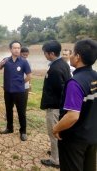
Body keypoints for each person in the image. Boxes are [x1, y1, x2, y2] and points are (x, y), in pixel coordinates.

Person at [53, 39, 97, 171]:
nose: (70, 56)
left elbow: (72, 116)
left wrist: (56, 128)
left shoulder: (75, 82)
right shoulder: (95, 76)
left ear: (77, 57)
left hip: (75, 140)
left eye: (73, 53)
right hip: (93, 136)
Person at [40, 40, 71, 168]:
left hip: (55, 107)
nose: (44, 55)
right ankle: (56, 151)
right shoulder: (62, 63)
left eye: (45, 53)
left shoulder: (55, 69)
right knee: (59, 132)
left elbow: (61, 90)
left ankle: (55, 160)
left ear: (51, 53)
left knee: (54, 132)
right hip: (60, 107)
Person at [0, 40, 31, 141]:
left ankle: (23, 132)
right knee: (8, 111)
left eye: (18, 48)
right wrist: (0, 64)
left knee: (21, 112)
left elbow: (29, 76)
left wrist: (21, 83)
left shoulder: (24, 61)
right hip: (8, 91)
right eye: (14, 48)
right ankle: (9, 128)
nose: (17, 50)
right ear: (10, 49)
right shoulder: (6, 60)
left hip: (20, 92)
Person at [20, 47, 31, 111]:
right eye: (23, 55)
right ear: (20, 53)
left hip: (25, 86)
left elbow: (29, 74)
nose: (25, 56)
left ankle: (23, 115)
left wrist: (30, 84)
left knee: (24, 103)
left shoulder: (28, 62)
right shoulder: (17, 62)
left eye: (26, 55)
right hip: (17, 86)